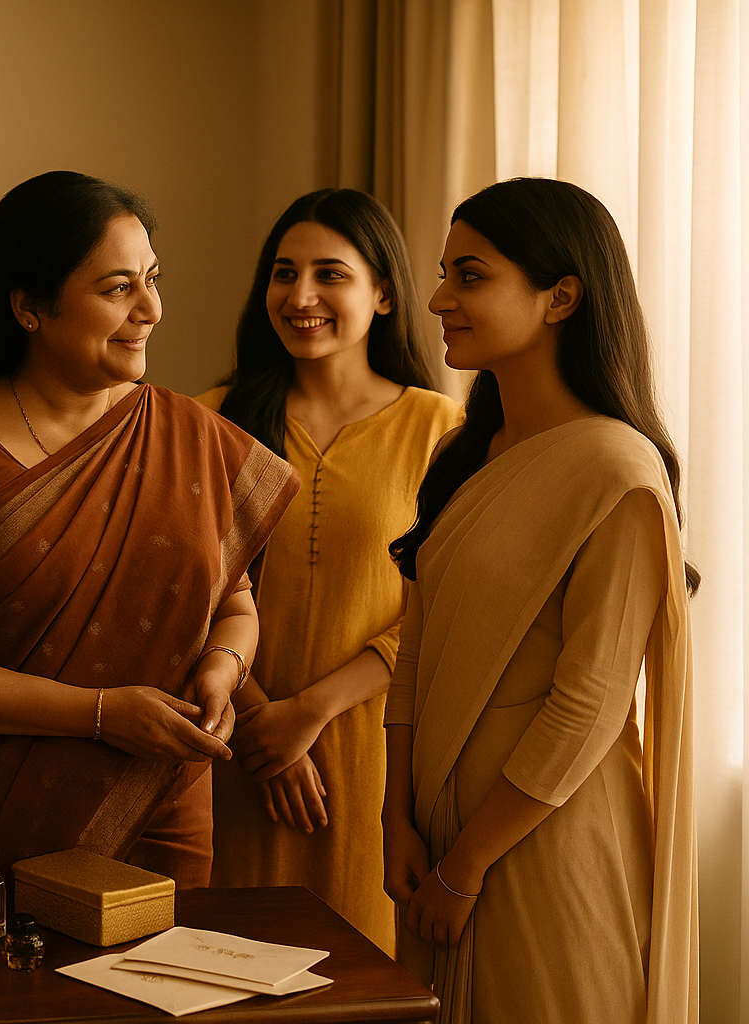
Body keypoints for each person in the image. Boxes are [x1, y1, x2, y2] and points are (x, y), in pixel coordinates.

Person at [0, 171, 298, 887]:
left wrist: (224, 669)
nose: (151, 309)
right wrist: (97, 714)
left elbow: (236, 606)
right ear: (31, 306)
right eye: (116, 288)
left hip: (161, 804)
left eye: (153, 279)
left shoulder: (189, 435)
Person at [382, 177, 697, 1022]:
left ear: (561, 297)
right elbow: (416, 649)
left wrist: (468, 863)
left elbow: (589, 703)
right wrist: (396, 819)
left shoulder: (616, 471)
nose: (440, 298)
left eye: (471, 276)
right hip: (436, 842)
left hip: (542, 843)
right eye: (444, 273)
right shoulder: (466, 453)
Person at [195, 188, 460, 951]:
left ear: (383, 294)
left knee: (363, 971)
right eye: (284, 273)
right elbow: (186, 592)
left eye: (329, 274)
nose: (300, 296)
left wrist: (307, 712)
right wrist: (259, 719)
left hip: (378, 757)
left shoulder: (444, 430)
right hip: (229, 750)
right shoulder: (207, 421)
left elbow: (446, 608)